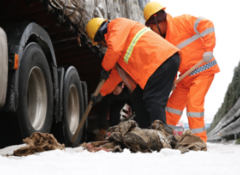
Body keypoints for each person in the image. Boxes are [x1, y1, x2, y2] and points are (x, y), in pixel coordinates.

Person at [143, 2, 220, 142]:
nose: (152, 31)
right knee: (171, 107)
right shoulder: (164, 41)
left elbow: (207, 24)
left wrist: (209, 49)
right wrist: (170, 82)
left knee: (193, 104)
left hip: (203, 70)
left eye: (151, 27)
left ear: (157, 20)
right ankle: (164, 138)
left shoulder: (182, 22)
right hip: (185, 78)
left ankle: (199, 141)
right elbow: (171, 65)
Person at [86, 17, 181, 128]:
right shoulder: (119, 48)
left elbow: (114, 50)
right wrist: (100, 93)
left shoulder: (118, 25)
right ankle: (146, 132)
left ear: (99, 35)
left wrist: (105, 68)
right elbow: (115, 77)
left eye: (98, 42)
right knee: (137, 98)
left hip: (162, 60)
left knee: (153, 99)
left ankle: (161, 135)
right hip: (157, 65)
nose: (101, 45)